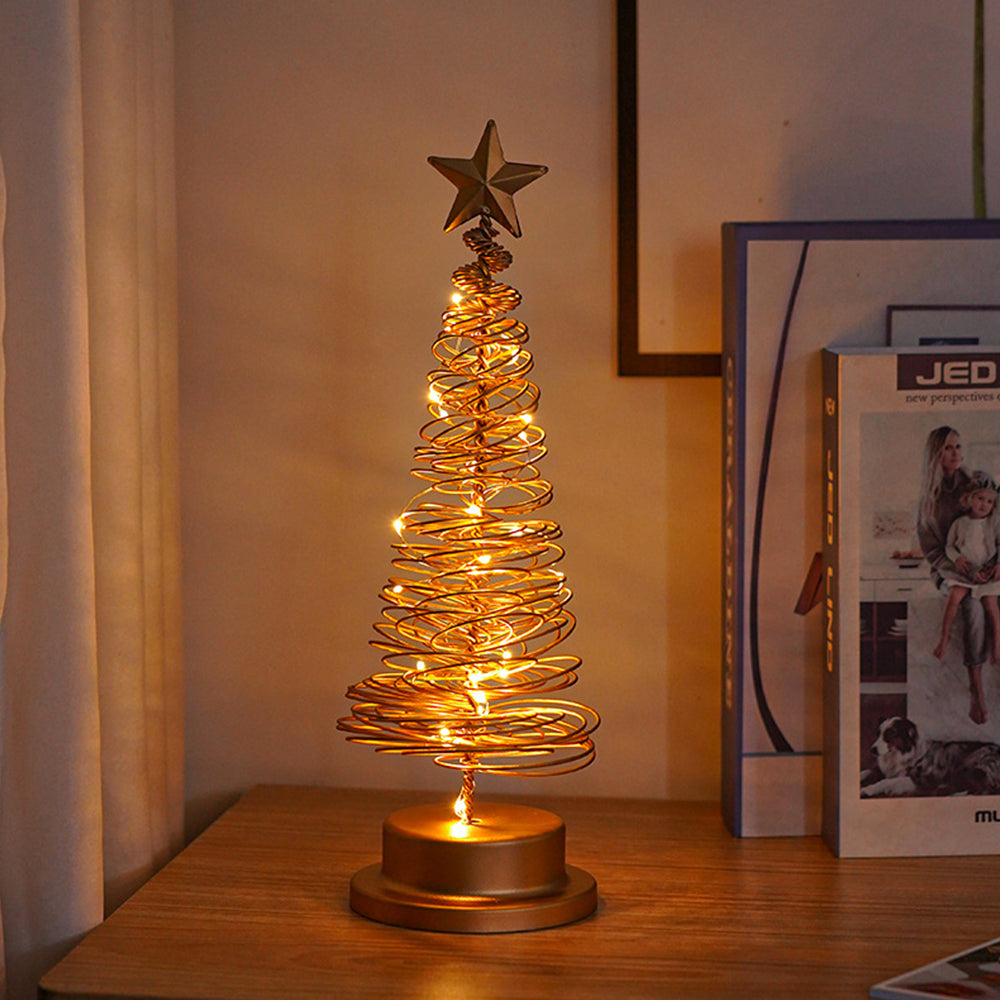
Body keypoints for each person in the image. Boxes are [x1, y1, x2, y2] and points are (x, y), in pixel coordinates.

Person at [917, 426, 992, 724]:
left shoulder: (976, 482)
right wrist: (959, 569)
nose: (956, 453)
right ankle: (976, 686)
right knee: (972, 606)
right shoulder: (928, 500)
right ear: (935, 454)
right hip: (948, 570)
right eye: (948, 448)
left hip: (985, 566)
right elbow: (932, 552)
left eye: (958, 446)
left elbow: (996, 524)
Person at [933, 471, 1000, 664]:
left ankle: (997, 647)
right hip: (965, 573)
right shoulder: (960, 523)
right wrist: (957, 558)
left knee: (991, 606)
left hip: (987, 572)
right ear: (969, 499)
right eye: (980, 499)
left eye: (989, 502)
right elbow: (949, 546)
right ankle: (944, 638)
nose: (984, 505)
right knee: (954, 597)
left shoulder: (994, 523)